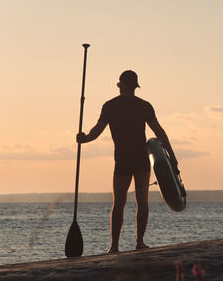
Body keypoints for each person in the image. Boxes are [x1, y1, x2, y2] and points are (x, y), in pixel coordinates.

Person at [76, 70, 179, 254]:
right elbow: (160, 133)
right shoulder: (144, 106)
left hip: (122, 159)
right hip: (140, 159)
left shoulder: (110, 106)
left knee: (119, 203)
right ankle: (139, 243)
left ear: (121, 85)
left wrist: (84, 139)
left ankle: (114, 246)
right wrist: (172, 156)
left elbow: (96, 131)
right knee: (142, 201)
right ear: (135, 87)